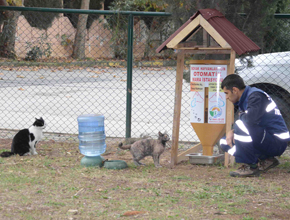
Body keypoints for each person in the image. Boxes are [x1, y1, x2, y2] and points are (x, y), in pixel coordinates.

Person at [220, 74, 290, 177]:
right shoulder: (244, 98)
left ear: (234, 90)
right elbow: (247, 119)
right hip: (266, 137)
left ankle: (250, 166)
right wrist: (232, 131)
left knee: (241, 125)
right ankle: (265, 159)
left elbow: (250, 121)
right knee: (224, 141)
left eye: (226, 93)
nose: (226, 97)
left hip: (277, 140)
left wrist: (237, 125)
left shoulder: (255, 96)